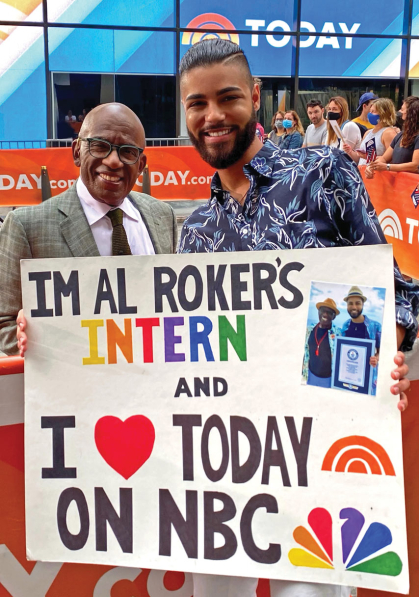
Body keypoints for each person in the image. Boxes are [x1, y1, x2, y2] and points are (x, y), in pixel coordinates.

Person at [178, 37, 416, 597]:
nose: (213, 116)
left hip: (324, 454)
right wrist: (51, 333)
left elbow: (396, 289)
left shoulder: (324, 173)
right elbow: (176, 347)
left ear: (256, 97)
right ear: (185, 113)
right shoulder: (194, 233)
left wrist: (385, 351)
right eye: (197, 104)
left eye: (228, 97)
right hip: (224, 464)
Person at [0, 102, 177, 355]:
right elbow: (3, 327)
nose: (113, 161)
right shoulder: (26, 227)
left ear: (140, 164)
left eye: (127, 152)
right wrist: (28, 338)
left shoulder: (163, 217)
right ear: (77, 152)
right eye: (100, 146)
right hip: (76, 388)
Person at [340, 286, 381, 394]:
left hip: (368, 378)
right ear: (347, 306)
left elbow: (382, 351)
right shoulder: (345, 325)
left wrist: (376, 358)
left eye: (357, 303)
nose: (354, 306)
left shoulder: (375, 326)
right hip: (348, 376)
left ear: (363, 304)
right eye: (350, 303)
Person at [366, 96, 419, 176]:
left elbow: (416, 166)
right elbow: (384, 158)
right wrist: (372, 167)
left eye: (402, 109)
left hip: (411, 185)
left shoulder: (417, 137)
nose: (400, 112)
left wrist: (387, 167)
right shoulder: (401, 135)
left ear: (411, 113)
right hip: (397, 184)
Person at [343, 98, 398, 165]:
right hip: (362, 172)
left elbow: (391, 160)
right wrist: (350, 151)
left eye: (373, 111)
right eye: (370, 111)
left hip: (377, 173)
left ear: (383, 113)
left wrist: (367, 157)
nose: (370, 114)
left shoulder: (388, 133)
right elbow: (359, 159)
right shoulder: (368, 133)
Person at [302, 298, 340, 388]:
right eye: (322, 310)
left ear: (334, 316)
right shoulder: (309, 329)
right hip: (310, 375)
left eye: (329, 312)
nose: (325, 314)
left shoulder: (338, 334)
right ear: (318, 312)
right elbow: (305, 350)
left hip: (328, 380)